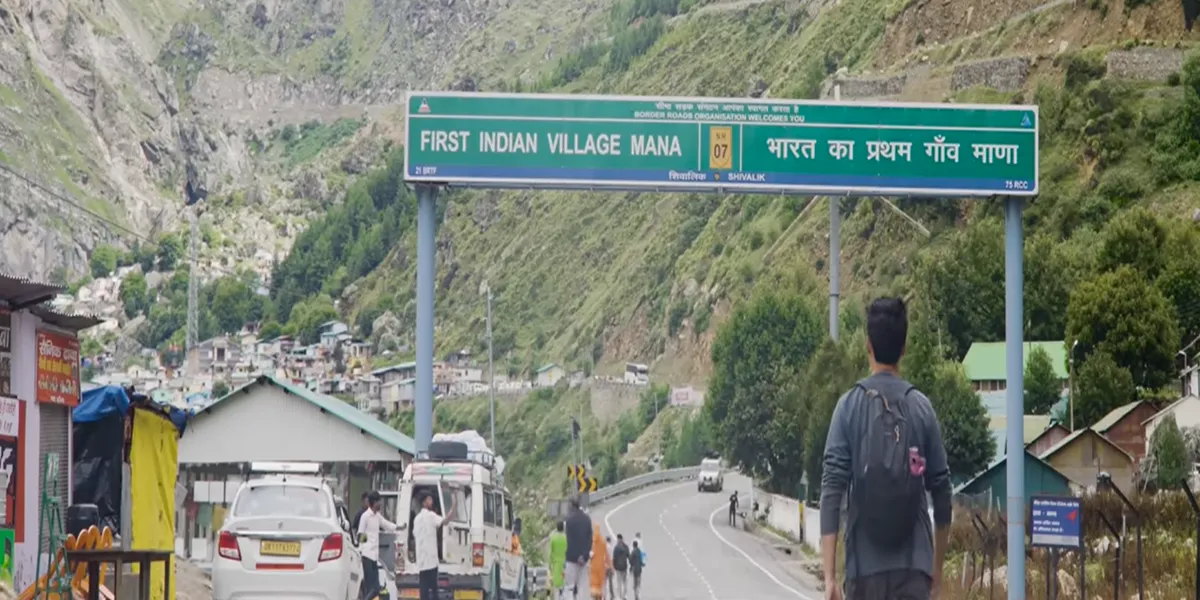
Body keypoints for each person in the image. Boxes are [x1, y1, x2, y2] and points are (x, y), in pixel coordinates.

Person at [820, 298, 952, 600]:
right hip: (914, 570)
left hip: (863, 572)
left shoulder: (848, 407)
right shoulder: (921, 408)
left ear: (867, 345)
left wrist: (830, 577)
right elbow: (942, 490)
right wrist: (937, 570)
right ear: (903, 348)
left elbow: (832, 490)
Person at [411, 490, 458, 600]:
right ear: (424, 503)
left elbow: (414, 535)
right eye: (429, 499)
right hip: (431, 561)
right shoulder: (431, 516)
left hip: (421, 561)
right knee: (434, 590)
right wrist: (454, 505)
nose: (431, 501)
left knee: (424, 590)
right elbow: (445, 521)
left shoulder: (416, 519)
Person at [358, 491, 399, 600]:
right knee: (373, 587)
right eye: (378, 502)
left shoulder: (377, 516)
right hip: (367, 555)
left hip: (374, 556)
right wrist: (366, 543)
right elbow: (360, 534)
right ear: (373, 503)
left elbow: (387, 525)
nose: (380, 504)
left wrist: (399, 528)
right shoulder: (365, 516)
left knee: (374, 587)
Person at [563, 496, 593, 600]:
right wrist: (583, 556)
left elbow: (569, 541)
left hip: (571, 559)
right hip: (584, 560)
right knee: (581, 587)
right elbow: (589, 540)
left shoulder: (568, 521)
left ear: (571, 506)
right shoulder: (587, 519)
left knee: (569, 587)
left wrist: (576, 556)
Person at [588, 523, 609, 600]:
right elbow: (606, 555)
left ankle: (595, 596)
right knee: (600, 585)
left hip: (593, 567)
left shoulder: (592, 541)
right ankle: (600, 597)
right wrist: (609, 565)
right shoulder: (603, 541)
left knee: (594, 584)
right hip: (601, 567)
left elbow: (591, 554)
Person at [549, 522, 567, 597]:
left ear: (557, 528)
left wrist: (549, 564)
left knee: (556, 585)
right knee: (564, 583)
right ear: (563, 528)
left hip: (556, 564)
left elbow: (550, 552)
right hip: (564, 564)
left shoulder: (553, 538)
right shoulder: (566, 538)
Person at [611, 534, 630, 600]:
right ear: (622, 539)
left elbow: (614, 558)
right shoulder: (626, 547)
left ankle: (620, 596)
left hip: (618, 567)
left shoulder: (616, 547)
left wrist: (613, 566)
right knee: (624, 581)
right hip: (624, 566)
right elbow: (628, 556)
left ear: (618, 539)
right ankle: (625, 595)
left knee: (619, 582)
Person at [604, 536, 615, 600]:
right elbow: (611, 559)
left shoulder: (603, 547)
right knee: (610, 582)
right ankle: (612, 594)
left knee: (604, 582)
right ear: (610, 541)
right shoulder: (610, 548)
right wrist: (612, 568)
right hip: (609, 567)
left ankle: (604, 595)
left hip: (604, 567)